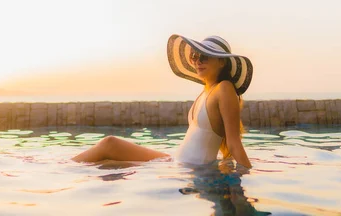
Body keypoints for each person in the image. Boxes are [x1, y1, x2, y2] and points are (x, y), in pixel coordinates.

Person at [72, 34, 253, 168]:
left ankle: (65, 169)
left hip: (189, 169)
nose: (198, 61)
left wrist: (248, 177)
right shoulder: (206, 92)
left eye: (204, 56)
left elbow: (233, 143)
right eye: (195, 56)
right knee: (108, 160)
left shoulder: (224, 88)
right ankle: (63, 166)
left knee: (110, 144)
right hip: (177, 162)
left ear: (222, 62)